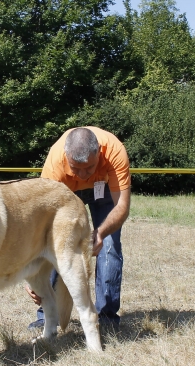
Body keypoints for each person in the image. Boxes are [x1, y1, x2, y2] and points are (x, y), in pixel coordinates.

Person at [25, 126, 131, 328]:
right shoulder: (54, 166)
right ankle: (47, 316)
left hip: (105, 190)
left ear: (99, 153)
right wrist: (30, 271)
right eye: (76, 168)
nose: (83, 175)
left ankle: (107, 317)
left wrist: (100, 233)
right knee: (55, 244)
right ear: (66, 156)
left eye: (89, 168)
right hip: (65, 191)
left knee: (109, 244)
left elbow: (122, 206)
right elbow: (41, 224)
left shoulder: (115, 150)